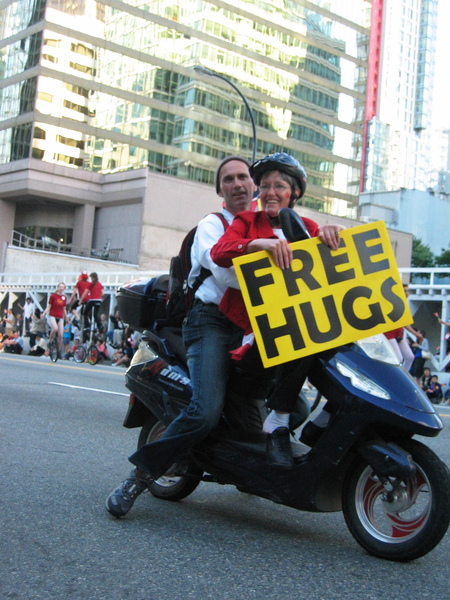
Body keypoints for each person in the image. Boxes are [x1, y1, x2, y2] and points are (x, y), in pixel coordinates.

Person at [105, 155, 256, 518]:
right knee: (205, 412)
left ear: (255, 185)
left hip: (252, 327)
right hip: (210, 323)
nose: (237, 184)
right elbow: (226, 276)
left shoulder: (266, 227)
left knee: (290, 405)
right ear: (220, 189)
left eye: (244, 177)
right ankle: (139, 477)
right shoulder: (213, 225)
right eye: (229, 179)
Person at [211, 152, 343, 463]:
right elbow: (219, 252)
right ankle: (279, 421)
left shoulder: (308, 227)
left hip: (295, 336)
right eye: (265, 185)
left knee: (341, 335)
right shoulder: (246, 222)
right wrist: (256, 244)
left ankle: (330, 412)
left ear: (294, 192)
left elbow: (335, 273)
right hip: (253, 335)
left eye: (279, 185)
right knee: (302, 328)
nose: (270, 192)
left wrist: (332, 235)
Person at [383, 284, 423, 372]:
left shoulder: (404, 305)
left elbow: (405, 324)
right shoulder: (394, 303)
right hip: (389, 334)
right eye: (404, 291)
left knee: (410, 357)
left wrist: (416, 334)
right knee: (399, 359)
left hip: (398, 335)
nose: (407, 293)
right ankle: (394, 376)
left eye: (408, 291)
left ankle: (403, 376)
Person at [42, 282, 69, 356]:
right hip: (52, 315)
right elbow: (49, 306)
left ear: (64, 289)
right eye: (59, 287)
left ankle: (58, 351)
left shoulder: (64, 298)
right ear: (57, 288)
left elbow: (64, 309)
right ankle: (50, 341)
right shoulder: (53, 296)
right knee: (55, 329)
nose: (61, 288)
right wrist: (44, 313)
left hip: (60, 316)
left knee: (60, 335)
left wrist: (66, 318)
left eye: (62, 287)